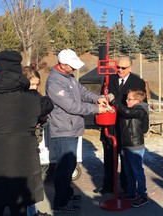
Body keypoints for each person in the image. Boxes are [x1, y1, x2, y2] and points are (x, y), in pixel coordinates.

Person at [0, 50, 54, 216]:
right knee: (20, 210)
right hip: (23, 168)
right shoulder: (32, 98)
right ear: (18, 69)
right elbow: (47, 105)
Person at [45, 49, 108, 213]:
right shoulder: (54, 82)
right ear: (62, 64)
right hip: (63, 129)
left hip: (72, 127)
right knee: (64, 167)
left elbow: (82, 92)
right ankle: (60, 202)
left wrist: (97, 98)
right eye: (72, 66)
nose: (74, 69)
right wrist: (96, 109)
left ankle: (67, 193)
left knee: (71, 164)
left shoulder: (69, 77)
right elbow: (72, 106)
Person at [94, 56, 147, 195]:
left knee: (126, 161)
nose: (120, 70)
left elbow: (143, 105)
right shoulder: (108, 79)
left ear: (130, 68)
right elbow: (101, 97)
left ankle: (126, 187)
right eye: (118, 67)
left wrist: (143, 128)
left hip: (127, 127)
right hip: (110, 125)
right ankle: (108, 186)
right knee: (109, 157)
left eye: (123, 68)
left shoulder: (138, 82)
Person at [108, 89, 149, 207]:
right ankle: (131, 193)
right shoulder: (131, 110)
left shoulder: (140, 110)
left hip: (135, 146)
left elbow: (126, 112)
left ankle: (143, 195)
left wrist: (113, 101)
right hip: (126, 144)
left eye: (129, 99)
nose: (126, 100)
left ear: (137, 100)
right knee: (128, 171)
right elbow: (124, 113)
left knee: (137, 171)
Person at [24, 68, 51, 216]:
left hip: (34, 139)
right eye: (32, 85)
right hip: (26, 142)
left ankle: (32, 210)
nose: (34, 88)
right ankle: (30, 212)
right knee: (28, 180)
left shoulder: (37, 97)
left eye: (37, 85)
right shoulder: (23, 98)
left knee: (33, 179)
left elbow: (42, 115)